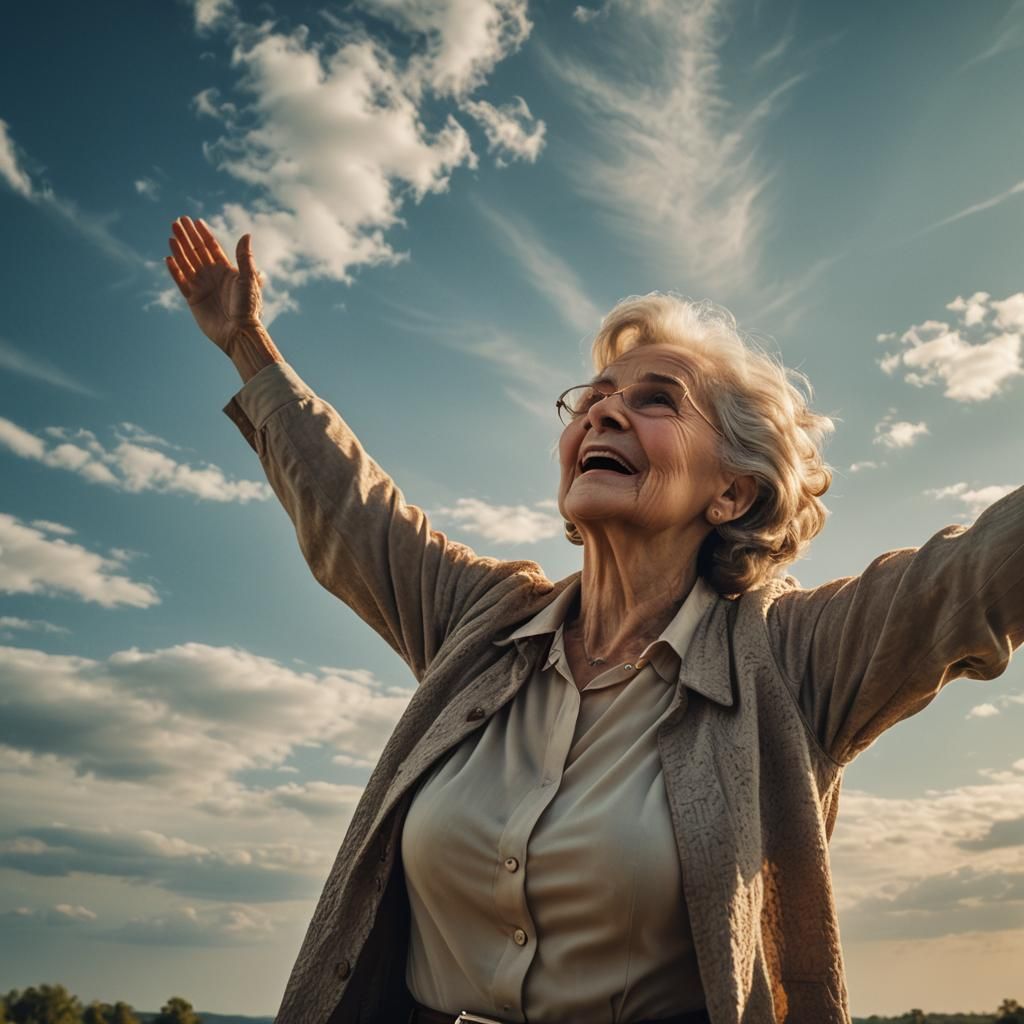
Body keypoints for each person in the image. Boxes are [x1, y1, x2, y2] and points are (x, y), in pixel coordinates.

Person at [165, 216, 1024, 1024]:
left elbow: (975, 576)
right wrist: (248, 345)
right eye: (593, 399)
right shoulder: (483, 622)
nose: (603, 411)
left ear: (732, 490)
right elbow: (355, 514)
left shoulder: (793, 658)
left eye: (656, 401)